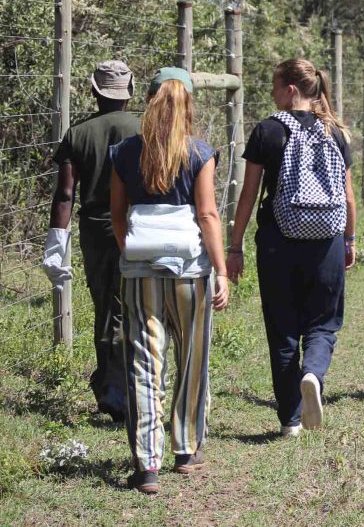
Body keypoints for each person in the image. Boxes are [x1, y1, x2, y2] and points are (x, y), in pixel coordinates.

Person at [109, 67, 229, 494]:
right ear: (189, 104)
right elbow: (208, 215)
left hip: (141, 272)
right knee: (192, 356)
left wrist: (132, 251)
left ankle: (147, 465)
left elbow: (117, 216)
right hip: (190, 271)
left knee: (144, 362)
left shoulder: (125, 153)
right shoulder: (199, 152)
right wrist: (221, 269)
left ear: (149, 101)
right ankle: (186, 448)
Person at [226, 58, 356, 437]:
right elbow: (348, 197)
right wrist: (348, 239)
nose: (272, 93)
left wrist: (235, 247)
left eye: (275, 85)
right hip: (327, 240)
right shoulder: (337, 132)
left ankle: (290, 421)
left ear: (291, 90)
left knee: (282, 328)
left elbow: (248, 194)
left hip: (277, 240)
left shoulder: (267, 130)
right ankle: (313, 373)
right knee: (323, 322)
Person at [43, 60, 140, 422]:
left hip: (98, 228)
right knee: (140, 306)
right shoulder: (146, 127)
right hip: (140, 225)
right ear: (129, 91)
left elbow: (65, 194)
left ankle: (113, 392)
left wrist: (57, 241)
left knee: (106, 307)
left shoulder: (78, 134)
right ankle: (140, 386)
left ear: (95, 92)